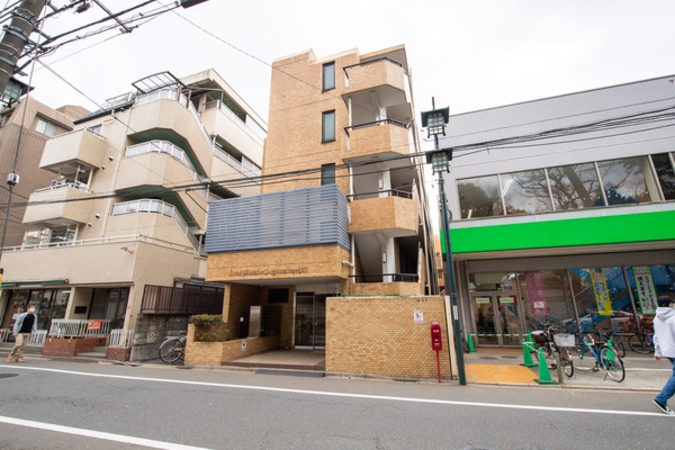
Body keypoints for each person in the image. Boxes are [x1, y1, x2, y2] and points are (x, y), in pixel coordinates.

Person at [653, 295, 675, 415]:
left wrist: (658, 352)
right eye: (672, 303)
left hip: (668, 351)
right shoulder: (673, 318)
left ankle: (662, 399)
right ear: (669, 305)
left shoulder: (657, 318)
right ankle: (661, 399)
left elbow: (656, 337)